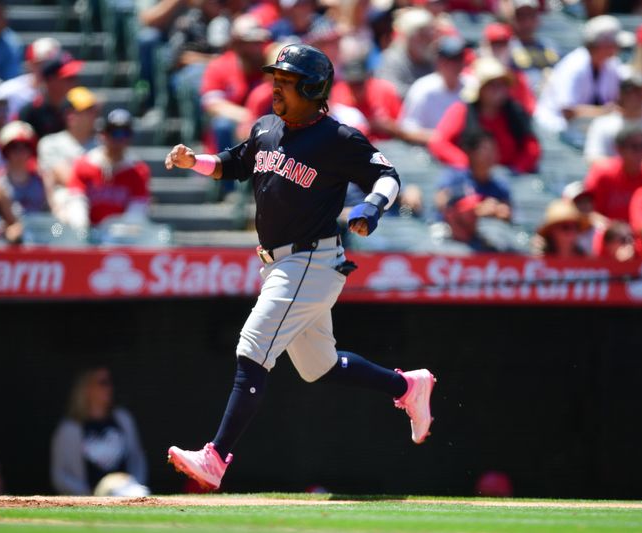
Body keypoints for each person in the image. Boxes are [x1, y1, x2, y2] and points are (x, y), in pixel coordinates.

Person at [163, 43, 436, 491]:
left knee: (253, 345)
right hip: (280, 263)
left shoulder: (337, 137)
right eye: (275, 78)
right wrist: (196, 161)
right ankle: (406, 387)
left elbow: (387, 175)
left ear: (313, 88)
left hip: (312, 257)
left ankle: (215, 457)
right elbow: (234, 164)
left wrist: (370, 207)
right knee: (319, 367)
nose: (275, 87)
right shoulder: (268, 127)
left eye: (286, 82)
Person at [429, 56, 540, 174]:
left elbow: (531, 147)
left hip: (508, 178)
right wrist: (471, 166)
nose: (499, 90)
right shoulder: (462, 111)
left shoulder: (515, 112)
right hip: (471, 180)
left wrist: (516, 169)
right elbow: (439, 143)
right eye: (492, 85)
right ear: (480, 89)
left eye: (502, 85)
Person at [50, 366, 148, 495]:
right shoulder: (69, 429)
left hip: (126, 493)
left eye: (110, 382)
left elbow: (137, 459)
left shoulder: (123, 419)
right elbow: (60, 476)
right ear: (87, 388)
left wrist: (136, 486)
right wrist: (90, 495)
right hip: (88, 500)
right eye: (103, 383)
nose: (109, 387)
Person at [534, 15, 625, 134]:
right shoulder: (574, 65)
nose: (618, 48)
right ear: (602, 45)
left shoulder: (612, 64)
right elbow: (568, 112)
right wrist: (604, 112)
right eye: (614, 44)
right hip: (555, 129)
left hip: (585, 128)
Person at [63, 108, 150, 230]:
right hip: (88, 235)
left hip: (120, 239)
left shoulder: (138, 170)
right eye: (114, 133)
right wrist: (81, 231)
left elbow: (137, 210)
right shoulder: (85, 164)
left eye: (125, 133)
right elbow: (76, 202)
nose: (119, 139)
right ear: (103, 135)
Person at [199, 14, 271, 153]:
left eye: (259, 42)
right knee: (222, 124)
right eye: (250, 42)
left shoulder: (269, 64)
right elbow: (212, 105)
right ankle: (225, 172)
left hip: (265, 126)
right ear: (236, 44)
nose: (256, 48)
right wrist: (250, 117)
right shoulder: (220, 66)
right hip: (234, 129)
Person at [583, 72, 642, 163]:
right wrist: (627, 168)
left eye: (641, 91)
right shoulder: (602, 125)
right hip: (615, 178)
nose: (636, 96)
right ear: (621, 94)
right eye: (631, 91)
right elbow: (593, 159)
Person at [583, 124, 642, 222]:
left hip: (641, 233)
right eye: (635, 147)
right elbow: (588, 212)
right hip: (607, 233)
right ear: (619, 149)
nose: (641, 152)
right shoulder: (602, 173)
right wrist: (614, 230)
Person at [37, 86, 100, 204]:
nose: (93, 115)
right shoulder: (51, 143)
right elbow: (70, 179)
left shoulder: (102, 144)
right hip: (65, 209)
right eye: (87, 110)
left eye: (94, 110)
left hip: (100, 204)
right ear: (70, 116)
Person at [399, 35, 466, 146]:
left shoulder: (471, 85)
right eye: (451, 60)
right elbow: (407, 130)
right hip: (427, 153)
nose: (456, 64)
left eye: (459, 59)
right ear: (439, 62)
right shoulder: (423, 88)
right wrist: (444, 138)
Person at [434, 130, 512, 223]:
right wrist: (476, 209)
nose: (490, 154)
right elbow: (440, 202)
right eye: (485, 149)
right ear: (471, 153)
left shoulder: (500, 186)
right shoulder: (454, 176)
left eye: (493, 149)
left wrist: (500, 212)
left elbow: (509, 215)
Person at [328, 57, 404, 142]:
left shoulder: (385, 91)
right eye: (352, 84)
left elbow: (405, 130)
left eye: (360, 84)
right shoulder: (337, 94)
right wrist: (368, 125)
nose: (356, 89)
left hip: (389, 145)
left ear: (368, 79)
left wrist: (388, 126)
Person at [0, 37, 63, 119]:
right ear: (30, 65)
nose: (49, 68)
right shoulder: (7, 92)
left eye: (55, 65)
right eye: (41, 63)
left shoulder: (66, 90)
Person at [374, 7, 436, 98]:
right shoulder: (391, 59)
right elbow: (392, 92)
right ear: (407, 36)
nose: (427, 39)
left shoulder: (433, 58)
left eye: (429, 34)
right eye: (421, 34)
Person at [18, 53, 83, 138]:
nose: (75, 82)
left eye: (74, 77)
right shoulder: (31, 113)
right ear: (50, 81)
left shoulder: (79, 109)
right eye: (69, 78)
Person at [506, 0, 559, 95]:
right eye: (521, 16)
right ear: (512, 19)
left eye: (531, 16)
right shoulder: (506, 46)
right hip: (523, 100)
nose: (527, 22)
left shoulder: (548, 44)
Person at [0, 120, 49, 214]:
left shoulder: (42, 179)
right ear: (6, 150)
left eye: (25, 146)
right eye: (14, 147)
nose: (20, 153)